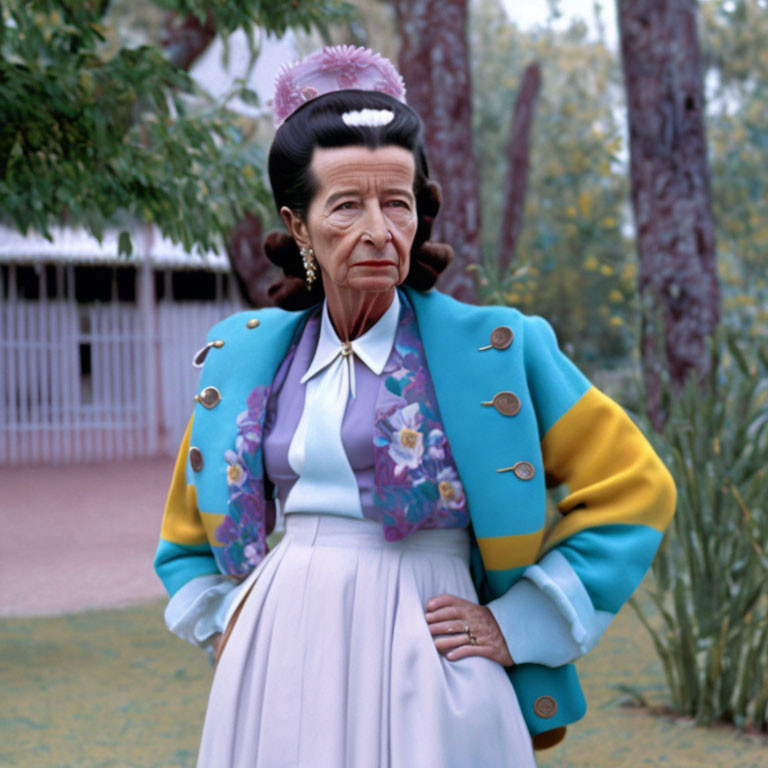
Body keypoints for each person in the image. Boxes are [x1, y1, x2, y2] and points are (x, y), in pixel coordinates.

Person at [154, 46, 676, 767]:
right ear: (298, 225)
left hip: (432, 650)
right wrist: (226, 621)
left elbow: (634, 488)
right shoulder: (243, 355)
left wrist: (517, 622)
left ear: (419, 211)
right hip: (277, 651)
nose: (378, 229)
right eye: (346, 204)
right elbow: (185, 530)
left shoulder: (497, 348)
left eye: (396, 202)